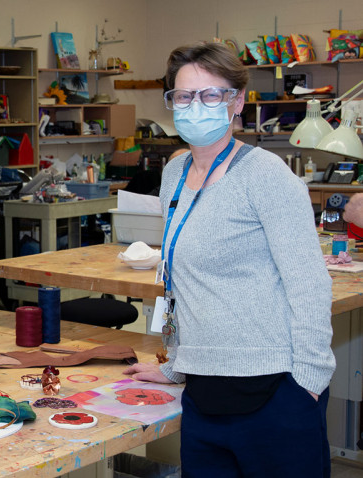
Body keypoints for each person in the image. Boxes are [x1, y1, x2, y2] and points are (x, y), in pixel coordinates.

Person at [122, 42, 335, 477]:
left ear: (236, 101)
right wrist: (179, 366)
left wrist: (308, 384)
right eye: (183, 96)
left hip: (275, 391)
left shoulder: (267, 176)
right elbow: (186, 286)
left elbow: (309, 285)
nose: (194, 106)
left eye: (210, 94)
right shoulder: (174, 174)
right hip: (204, 395)